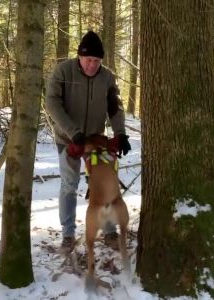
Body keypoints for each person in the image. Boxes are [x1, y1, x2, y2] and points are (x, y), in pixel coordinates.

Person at [45, 31, 131, 254]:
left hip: (95, 139)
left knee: (104, 183)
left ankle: (110, 230)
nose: (92, 65)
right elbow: (52, 104)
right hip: (68, 139)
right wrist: (73, 133)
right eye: (88, 60)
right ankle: (68, 234)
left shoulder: (107, 77)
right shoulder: (63, 71)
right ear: (79, 57)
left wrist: (120, 133)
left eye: (97, 61)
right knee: (69, 185)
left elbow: (115, 106)